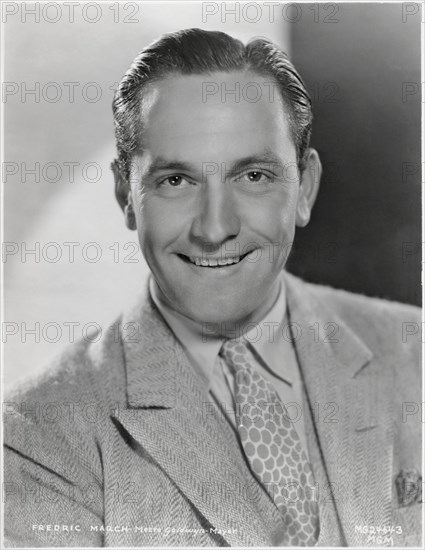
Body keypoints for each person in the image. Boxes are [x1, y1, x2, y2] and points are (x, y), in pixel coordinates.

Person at [4, 28, 422, 547]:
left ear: (305, 188)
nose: (214, 228)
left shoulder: (415, 357)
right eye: (176, 181)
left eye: (253, 177)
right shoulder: (35, 438)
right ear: (126, 194)